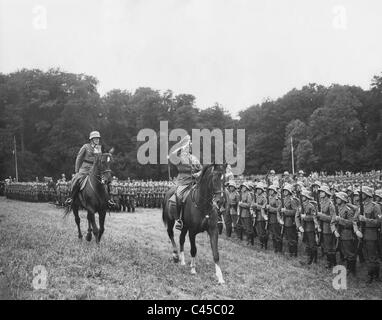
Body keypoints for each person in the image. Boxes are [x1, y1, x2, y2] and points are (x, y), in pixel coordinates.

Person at [65, 131, 114, 208]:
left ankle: (108, 199)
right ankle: (71, 198)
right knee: (77, 179)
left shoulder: (100, 148)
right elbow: (79, 158)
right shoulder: (86, 147)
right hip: (85, 168)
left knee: (106, 181)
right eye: (96, 138)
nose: (97, 140)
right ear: (91, 139)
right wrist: (77, 170)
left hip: (96, 169)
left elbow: (102, 160)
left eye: (98, 138)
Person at [168, 135, 202, 230]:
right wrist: (182, 145)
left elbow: (202, 170)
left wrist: (198, 174)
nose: (189, 148)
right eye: (187, 146)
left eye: (189, 146)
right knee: (177, 197)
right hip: (183, 182)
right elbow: (172, 156)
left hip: (195, 182)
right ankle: (178, 220)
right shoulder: (179, 159)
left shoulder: (194, 158)